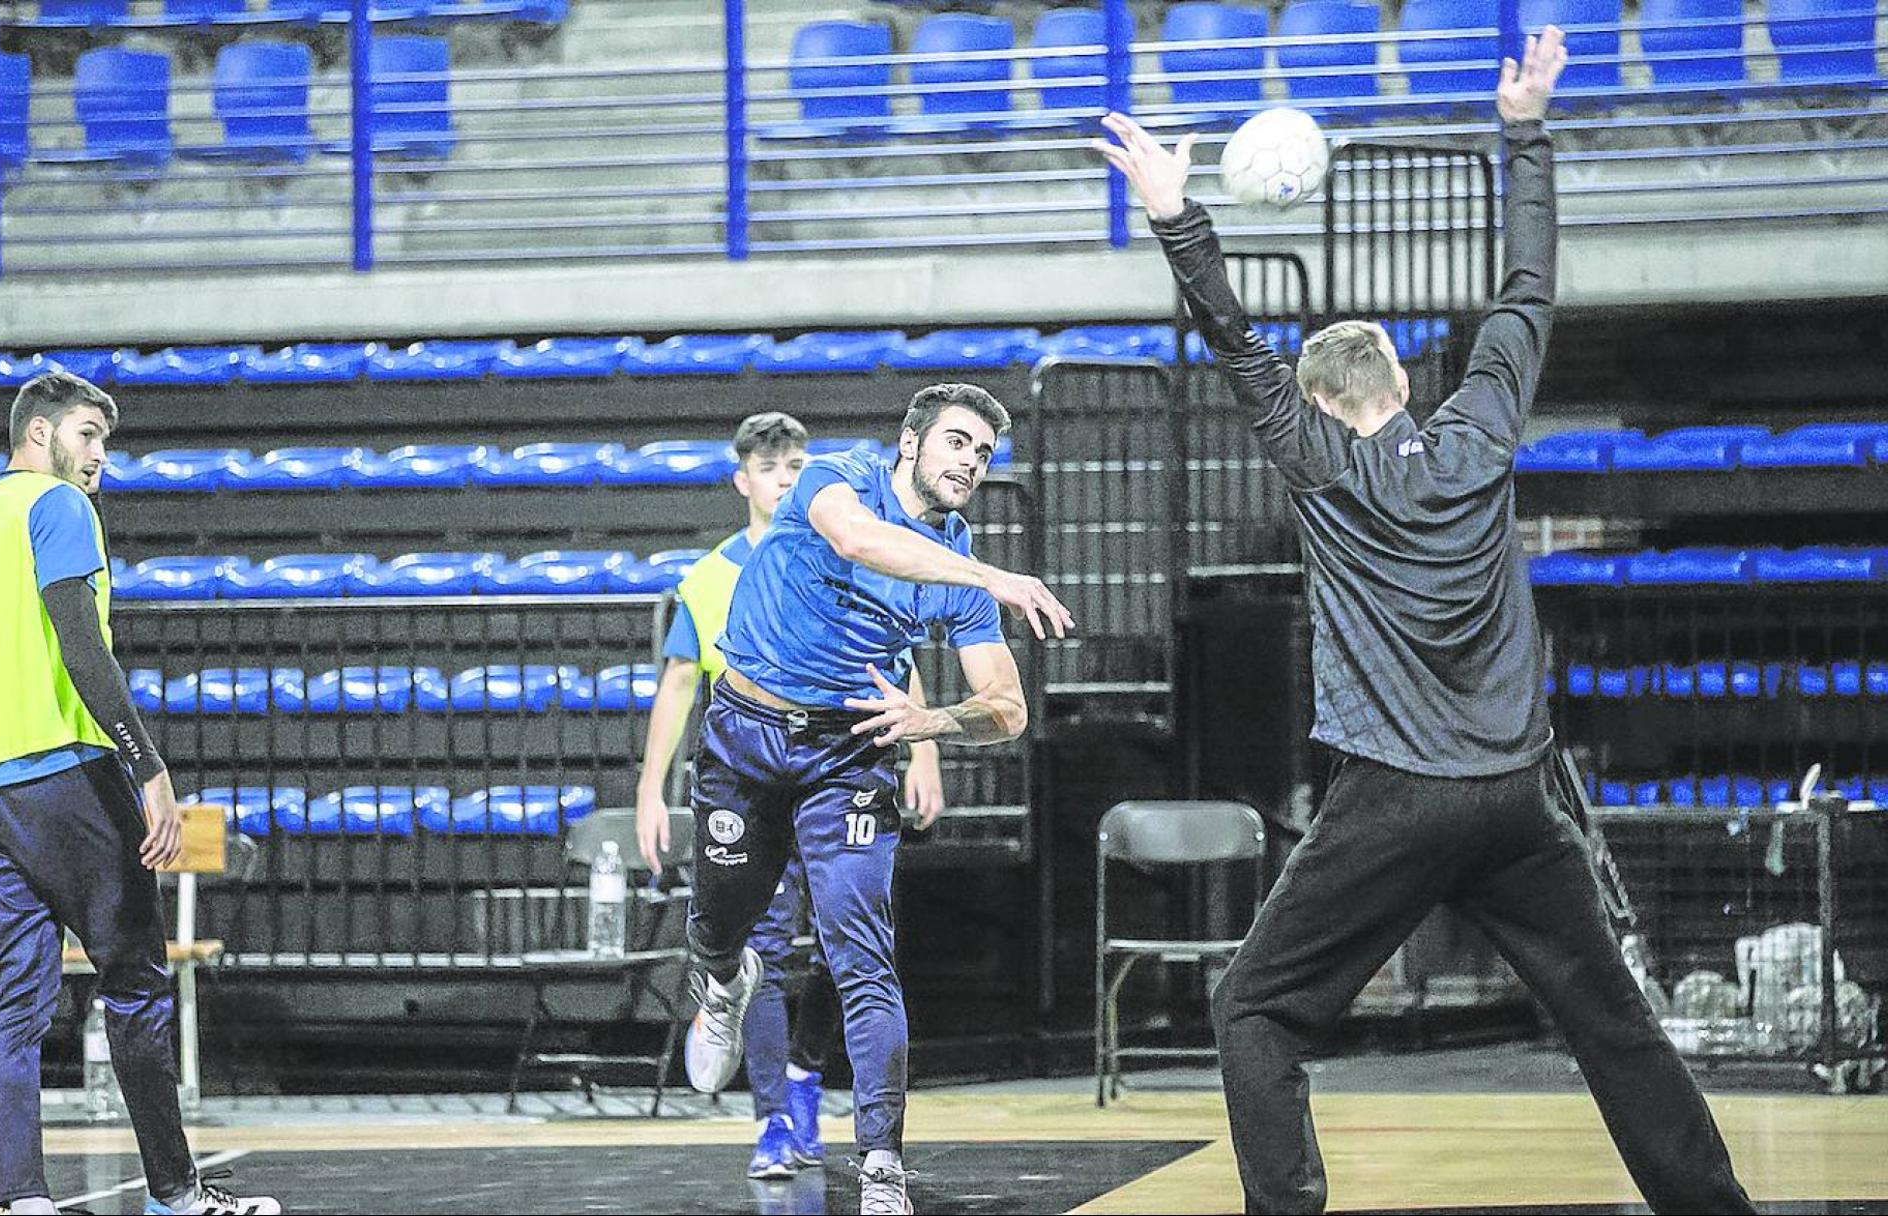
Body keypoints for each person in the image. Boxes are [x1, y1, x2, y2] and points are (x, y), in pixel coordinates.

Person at [1094, 29, 1756, 1216]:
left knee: (1254, 1007)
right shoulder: (1483, 426)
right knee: (1613, 1024)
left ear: (1327, 409)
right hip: (1514, 795)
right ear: (1403, 380)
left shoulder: (1319, 464)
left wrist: (1175, 214)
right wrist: (1525, 134)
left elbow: (1232, 341)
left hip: (1395, 796)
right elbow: (1528, 286)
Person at [677, 383, 1072, 1216]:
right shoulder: (838, 478)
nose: (971, 461)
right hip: (745, 734)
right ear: (909, 442)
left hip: (848, 754)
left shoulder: (957, 567)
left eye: (984, 453)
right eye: (959, 442)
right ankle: (720, 981)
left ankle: (882, 1160)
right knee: (721, 921)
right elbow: (860, 542)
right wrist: (993, 574)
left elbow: (1007, 705)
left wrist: (932, 720)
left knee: (862, 952)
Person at [0, 371, 281, 1216]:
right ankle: (176, 1192)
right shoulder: (57, 508)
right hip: (73, 772)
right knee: (134, 985)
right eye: (88, 434)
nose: (100, 457)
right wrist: (150, 769)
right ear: (39, 432)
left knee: (18, 1000)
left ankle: (21, 1195)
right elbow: (80, 643)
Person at [633, 411, 948, 1181]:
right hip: (753, 769)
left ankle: (807, 1075)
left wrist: (926, 746)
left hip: (841, 760)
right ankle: (772, 1118)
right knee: (761, 949)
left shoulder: (855, 544)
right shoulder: (710, 576)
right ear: (742, 479)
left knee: (852, 941)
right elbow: (679, 682)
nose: (782, 476)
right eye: (767, 465)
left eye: (794, 462)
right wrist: (649, 788)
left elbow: (895, 652)